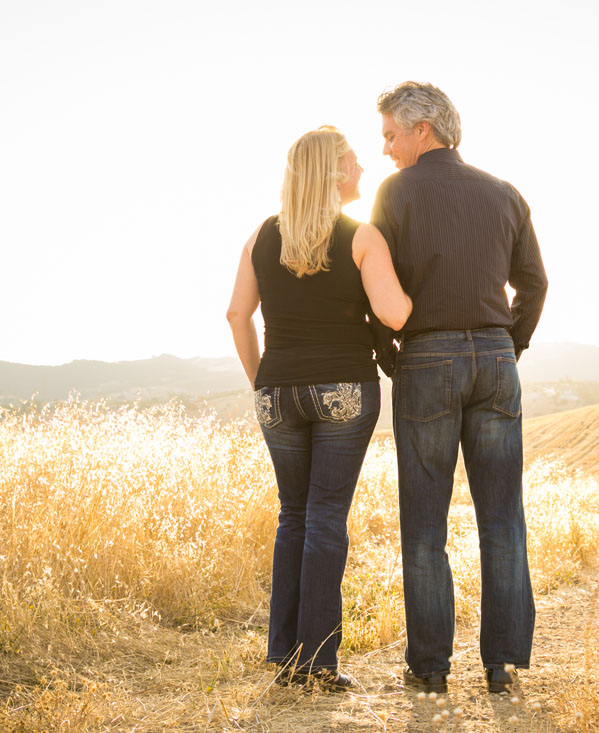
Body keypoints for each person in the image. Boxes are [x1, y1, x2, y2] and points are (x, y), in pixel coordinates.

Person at [370, 82, 548, 695]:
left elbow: (375, 282)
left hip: (427, 359)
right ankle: (502, 666)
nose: (386, 148)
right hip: (497, 361)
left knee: (425, 525)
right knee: (502, 519)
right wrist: (508, 348)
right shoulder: (505, 194)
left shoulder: (395, 193)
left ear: (425, 130)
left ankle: (429, 670)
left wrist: (390, 354)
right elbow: (535, 285)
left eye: (391, 134)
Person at [226, 126, 412, 691]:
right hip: (344, 391)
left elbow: (238, 316)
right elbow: (397, 314)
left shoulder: (262, 235)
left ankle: (284, 658)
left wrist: (265, 381)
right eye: (353, 162)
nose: (361, 170)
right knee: (326, 517)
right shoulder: (361, 237)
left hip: (278, 390)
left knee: (293, 516)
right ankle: (319, 665)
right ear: (332, 173)